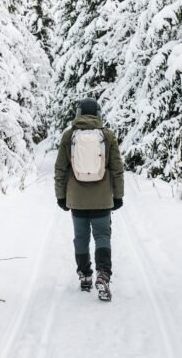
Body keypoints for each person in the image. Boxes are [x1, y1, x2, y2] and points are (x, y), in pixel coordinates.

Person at [54, 97, 124, 302]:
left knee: (81, 238)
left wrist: (61, 196)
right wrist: (118, 195)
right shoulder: (108, 136)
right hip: (102, 200)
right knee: (102, 236)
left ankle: (84, 275)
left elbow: (60, 169)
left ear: (78, 113)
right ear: (98, 114)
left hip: (76, 199)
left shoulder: (69, 136)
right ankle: (103, 275)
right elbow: (117, 169)